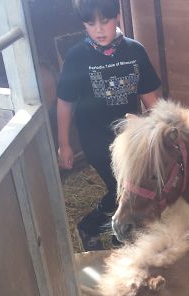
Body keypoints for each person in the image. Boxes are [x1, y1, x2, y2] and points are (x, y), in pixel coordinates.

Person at [56, 0, 161, 250]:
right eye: (90, 23)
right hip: (94, 137)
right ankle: (91, 226)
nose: (99, 29)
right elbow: (65, 103)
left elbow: (150, 98)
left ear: (118, 18)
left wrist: (161, 129)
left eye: (105, 21)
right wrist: (64, 145)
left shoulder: (135, 51)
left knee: (131, 186)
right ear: (84, 24)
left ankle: (117, 237)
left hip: (127, 136)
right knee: (120, 188)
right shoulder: (77, 57)